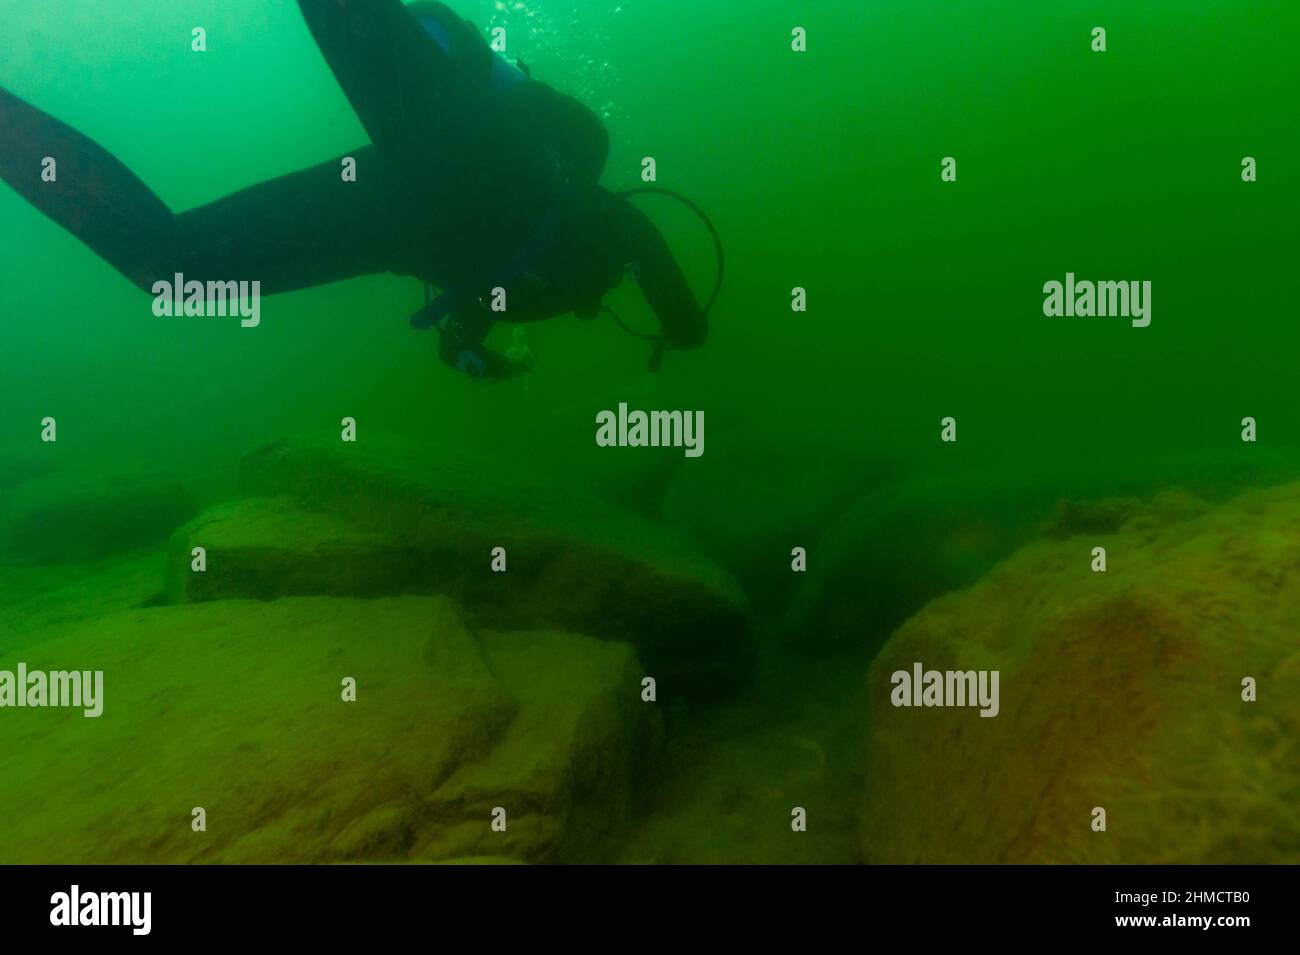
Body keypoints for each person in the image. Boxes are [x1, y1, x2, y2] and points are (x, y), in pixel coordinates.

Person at [0, 0, 707, 381]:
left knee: (177, 273)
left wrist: (479, 359)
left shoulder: (521, 291)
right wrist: (684, 328)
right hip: (474, 156)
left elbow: (458, 338)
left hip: (404, 201)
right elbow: (646, 246)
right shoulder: (598, 224)